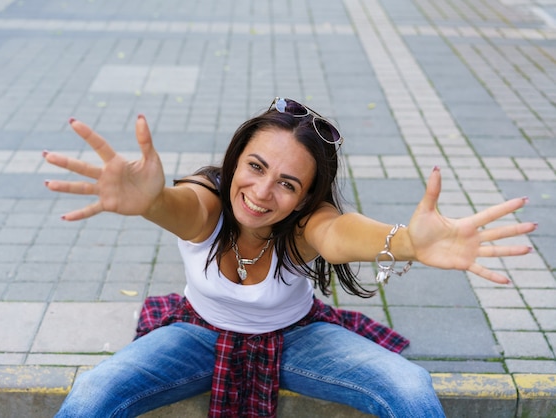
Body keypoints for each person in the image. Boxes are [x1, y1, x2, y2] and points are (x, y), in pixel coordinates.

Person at [45, 97, 536, 418]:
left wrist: (410, 242)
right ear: (236, 158)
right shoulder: (207, 203)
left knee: (410, 388)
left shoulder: (307, 224)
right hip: (196, 334)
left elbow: (340, 235)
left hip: (299, 338)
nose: (261, 193)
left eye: (287, 183)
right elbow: (181, 208)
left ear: (304, 198)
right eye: (255, 167)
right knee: (91, 395)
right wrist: (150, 201)